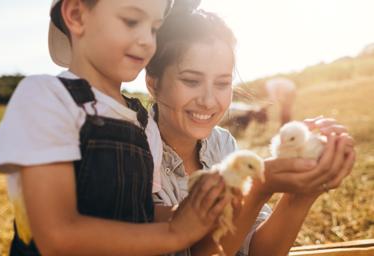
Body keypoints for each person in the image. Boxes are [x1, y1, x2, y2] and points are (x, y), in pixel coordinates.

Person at [0, 0, 232, 255]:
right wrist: (175, 232)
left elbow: (139, 212)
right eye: (131, 21)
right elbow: (55, 235)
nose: (147, 41)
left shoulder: (142, 122)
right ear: (76, 15)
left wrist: (194, 213)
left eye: (153, 28)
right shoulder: (47, 97)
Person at [145, 3, 356, 256]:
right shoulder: (133, 154)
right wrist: (258, 190)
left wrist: (300, 194)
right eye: (191, 81)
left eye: (223, 83)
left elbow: (259, 252)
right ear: (153, 83)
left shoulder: (223, 145)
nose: (209, 100)